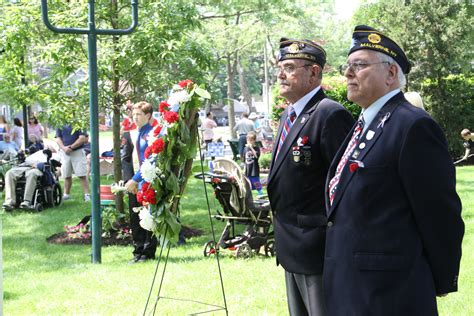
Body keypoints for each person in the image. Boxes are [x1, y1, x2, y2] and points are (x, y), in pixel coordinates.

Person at [324, 25, 464, 315]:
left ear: (390, 74)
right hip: (352, 287)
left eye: (359, 65)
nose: (348, 73)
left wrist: (438, 279)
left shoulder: (413, 126)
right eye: (347, 65)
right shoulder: (363, 124)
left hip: (390, 294)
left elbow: (440, 215)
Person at [267, 38, 354, 316]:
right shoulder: (289, 115)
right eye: (280, 67)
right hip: (291, 245)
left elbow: (346, 188)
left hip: (317, 248)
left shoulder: (329, 113)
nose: (281, 74)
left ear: (314, 73)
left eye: (290, 67)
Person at [124, 101, 157, 263]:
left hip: (147, 180)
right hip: (136, 180)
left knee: (148, 217)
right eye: (134, 114)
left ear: (148, 115)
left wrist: (136, 179)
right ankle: (138, 250)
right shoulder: (137, 133)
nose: (135, 117)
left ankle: (147, 251)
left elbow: (151, 159)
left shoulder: (151, 134)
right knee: (135, 216)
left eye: (139, 115)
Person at [55, 125, 90, 202]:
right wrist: (64, 148)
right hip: (64, 152)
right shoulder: (60, 122)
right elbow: (58, 138)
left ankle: (87, 195)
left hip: (78, 151)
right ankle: (66, 194)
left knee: (82, 175)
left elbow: (82, 138)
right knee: (66, 175)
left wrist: (71, 148)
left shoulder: (79, 122)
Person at [243, 131, 263, 196]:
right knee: (248, 183)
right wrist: (244, 168)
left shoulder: (256, 148)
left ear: (254, 140)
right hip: (248, 169)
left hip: (254, 169)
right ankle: (248, 195)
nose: (249, 142)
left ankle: (260, 193)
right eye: (248, 140)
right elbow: (244, 160)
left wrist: (251, 147)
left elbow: (256, 156)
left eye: (251, 140)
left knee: (256, 181)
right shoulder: (245, 148)